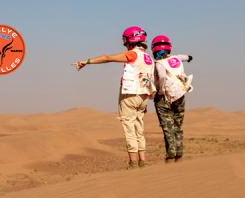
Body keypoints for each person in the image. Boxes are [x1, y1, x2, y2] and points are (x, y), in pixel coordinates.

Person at [71, 26, 156, 169]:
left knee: (129, 129)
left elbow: (108, 58)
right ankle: (143, 162)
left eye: (125, 39)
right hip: (142, 97)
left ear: (131, 39)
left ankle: (133, 164)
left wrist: (86, 61)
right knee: (139, 130)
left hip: (129, 96)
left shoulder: (133, 54)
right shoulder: (148, 57)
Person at [151, 35, 193, 164]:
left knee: (168, 127)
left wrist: (161, 91)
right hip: (180, 95)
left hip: (164, 97)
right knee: (178, 126)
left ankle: (170, 157)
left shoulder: (159, 63)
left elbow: (162, 76)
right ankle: (179, 155)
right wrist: (189, 58)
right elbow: (184, 57)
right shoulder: (176, 58)